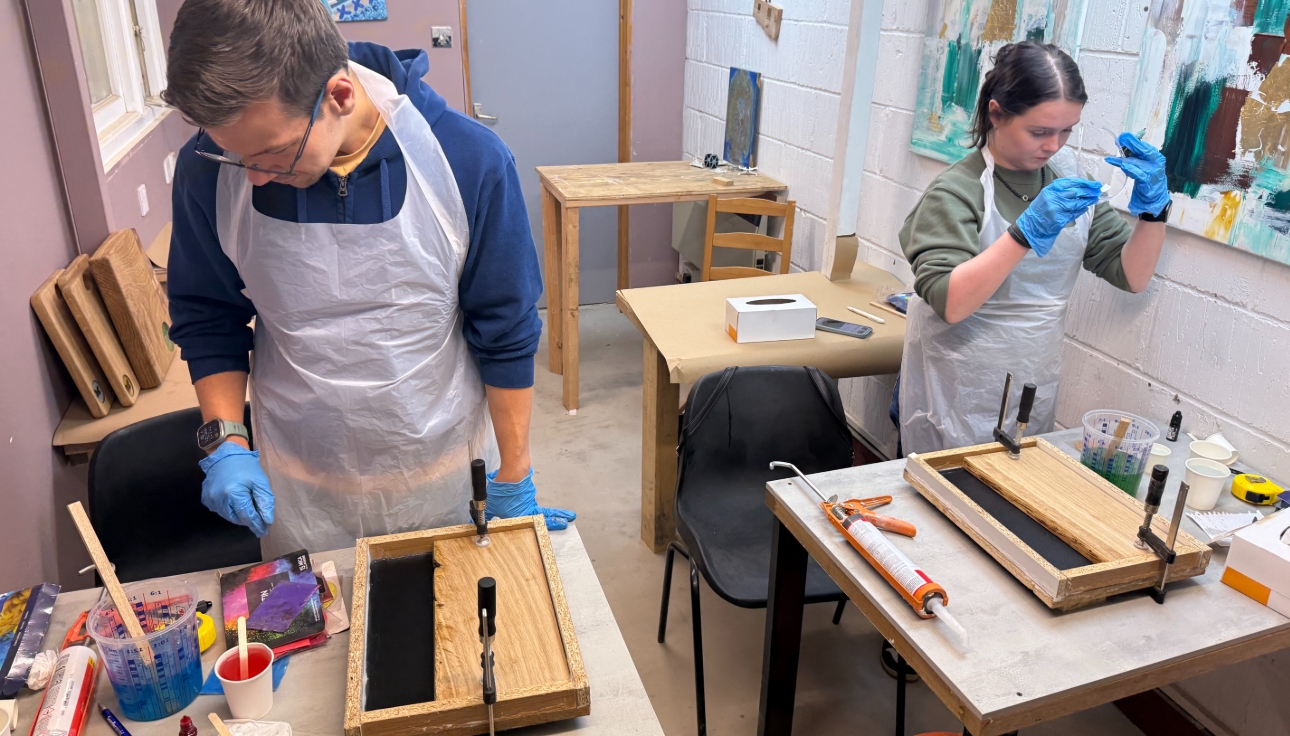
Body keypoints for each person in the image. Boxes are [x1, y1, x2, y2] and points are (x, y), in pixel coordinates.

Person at [162, 0, 575, 557]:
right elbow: (210, 317)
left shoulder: (469, 162)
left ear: (339, 95)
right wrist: (228, 441)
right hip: (299, 489)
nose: (255, 178)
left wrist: (514, 475)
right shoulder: (210, 169)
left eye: (271, 155)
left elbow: (505, 330)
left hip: (437, 478)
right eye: (236, 158)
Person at [897, 42, 1171, 454]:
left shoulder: (1068, 182)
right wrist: (1023, 235)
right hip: (956, 386)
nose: (1054, 145)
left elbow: (1131, 275)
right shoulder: (956, 191)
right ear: (996, 113)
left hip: (1031, 379)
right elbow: (951, 302)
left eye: (1066, 131)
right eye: (1040, 131)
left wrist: (1155, 212)